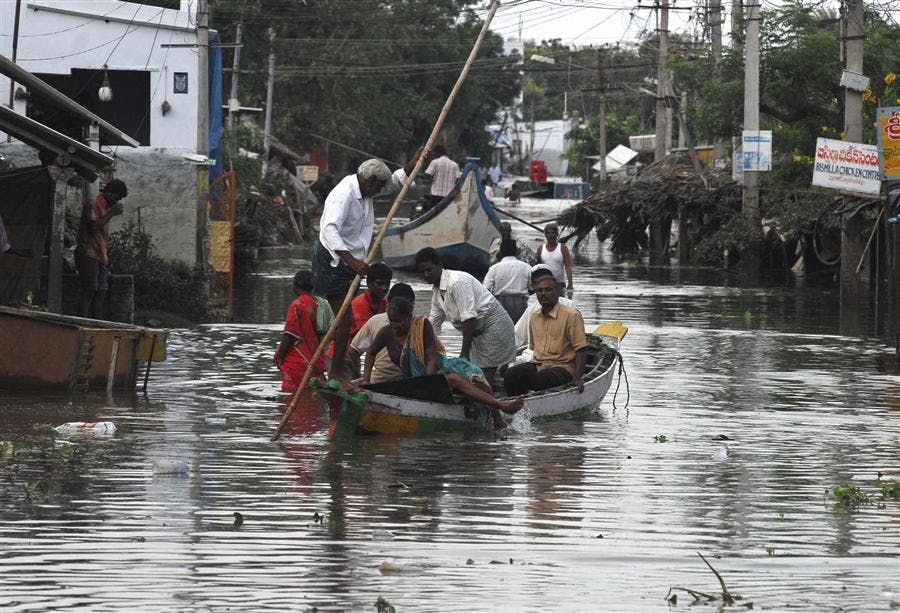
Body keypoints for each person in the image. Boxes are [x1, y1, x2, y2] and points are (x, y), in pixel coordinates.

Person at [313, 153, 420, 384]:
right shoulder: (344, 194)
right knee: (343, 321)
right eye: (378, 187)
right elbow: (329, 229)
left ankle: (331, 370)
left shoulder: (367, 188)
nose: (381, 191)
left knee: (341, 321)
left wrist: (413, 165)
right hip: (333, 260)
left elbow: (392, 184)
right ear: (370, 181)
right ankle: (335, 374)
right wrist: (351, 261)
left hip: (348, 260)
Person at [364, 296, 524, 428]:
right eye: (391, 321)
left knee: (461, 379)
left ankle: (499, 410)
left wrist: (427, 383)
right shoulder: (386, 333)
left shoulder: (421, 325)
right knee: (455, 380)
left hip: (435, 372)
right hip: (411, 380)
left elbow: (431, 357)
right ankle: (499, 410)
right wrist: (366, 381)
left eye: (398, 321)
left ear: (409, 317)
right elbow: (370, 353)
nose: (394, 326)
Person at [415, 247, 516, 389]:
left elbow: (469, 319)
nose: (426, 275)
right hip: (476, 334)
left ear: (439, 265)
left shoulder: (456, 282)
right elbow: (433, 324)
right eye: (422, 272)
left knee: (481, 379)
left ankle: (495, 403)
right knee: (473, 376)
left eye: (429, 270)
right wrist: (426, 352)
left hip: (494, 327)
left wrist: (464, 354)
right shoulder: (437, 291)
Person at [504, 273, 588, 396]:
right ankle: (515, 407)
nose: (543, 293)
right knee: (511, 374)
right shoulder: (534, 317)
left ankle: (529, 405)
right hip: (538, 364)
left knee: (540, 380)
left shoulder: (571, 315)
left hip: (563, 367)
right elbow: (533, 347)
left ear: (558, 292)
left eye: (548, 290)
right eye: (540, 290)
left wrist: (577, 378)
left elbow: (581, 350)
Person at [76, 179, 127, 319]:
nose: (116, 201)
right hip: (88, 253)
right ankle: (83, 322)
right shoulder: (94, 204)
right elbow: (93, 227)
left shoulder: (106, 208)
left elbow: (102, 237)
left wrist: (107, 257)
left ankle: (97, 323)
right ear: (109, 193)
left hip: (100, 255)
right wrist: (111, 213)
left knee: (102, 292)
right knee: (89, 290)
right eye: (116, 198)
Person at [275, 270, 333, 392]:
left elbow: (289, 335)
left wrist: (279, 356)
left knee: (291, 401)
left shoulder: (297, 305)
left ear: (295, 286)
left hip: (297, 364)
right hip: (316, 362)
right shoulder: (322, 304)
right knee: (313, 400)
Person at [347, 282, 415, 381]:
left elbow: (354, 352)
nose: (394, 325)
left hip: (381, 380)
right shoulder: (420, 323)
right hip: (406, 381)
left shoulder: (376, 320)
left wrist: (362, 378)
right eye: (392, 321)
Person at [514, 265, 577, 349]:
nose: (544, 292)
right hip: (534, 356)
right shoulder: (531, 311)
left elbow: (577, 340)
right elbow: (517, 338)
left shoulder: (569, 306)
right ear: (534, 287)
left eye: (548, 289)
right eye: (540, 288)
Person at [483, 238, 532, 323]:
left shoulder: (494, 268)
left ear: (500, 252)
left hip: (501, 303)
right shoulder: (526, 267)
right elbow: (533, 288)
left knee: (503, 332)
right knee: (520, 332)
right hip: (521, 303)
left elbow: (485, 289)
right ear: (516, 251)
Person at [536, 223, 573, 298]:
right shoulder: (540, 249)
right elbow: (538, 269)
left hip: (559, 284)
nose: (551, 235)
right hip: (545, 285)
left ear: (557, 234)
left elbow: (568, 267)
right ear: (545, 235)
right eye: (549, 233)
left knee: (560, 307)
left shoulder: (563, 248)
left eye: (553, 233)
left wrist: (570, 284)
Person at [422, 144, 461, 210]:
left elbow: (427, 175)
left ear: (438, 153)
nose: (434, 155)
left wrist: (417, 175)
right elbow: (458, 180)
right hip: (449, 197)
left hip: (435, 196)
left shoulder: (435, 162)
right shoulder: (455, 165)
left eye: (434, 154)